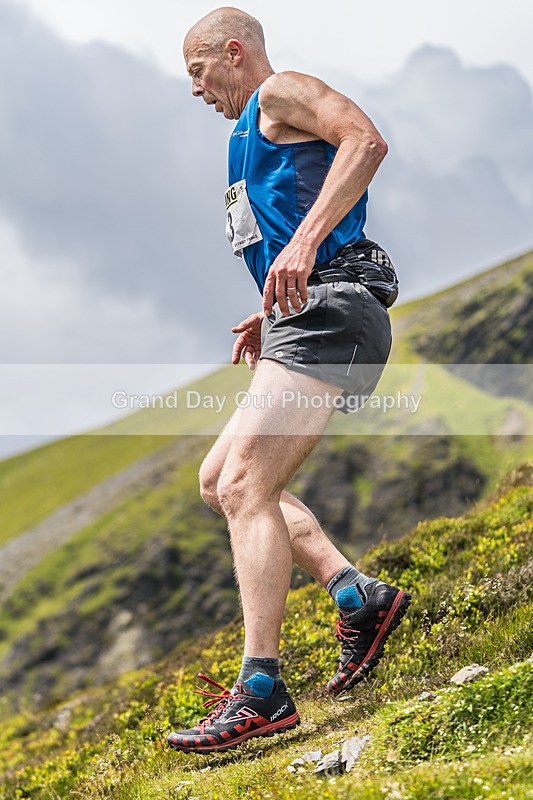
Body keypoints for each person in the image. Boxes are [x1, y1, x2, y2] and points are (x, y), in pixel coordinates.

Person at [168, 6, 410, 754]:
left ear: (231, 51)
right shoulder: (248, 137)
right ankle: (354, 594)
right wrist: (265, 308)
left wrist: (302, 248)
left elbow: (365, 141)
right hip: (301, 310)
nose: (196, 90)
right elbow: (290, 216)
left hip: (332, 301)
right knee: (220, 481)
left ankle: (262, 690)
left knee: (246, 485)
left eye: (198, 71)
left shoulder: (280, 93)